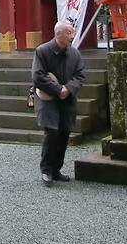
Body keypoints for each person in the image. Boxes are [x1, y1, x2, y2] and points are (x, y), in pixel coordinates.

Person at [32, 21, 86, 187]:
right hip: (47, 98)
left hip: (67, 98)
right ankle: (46, 170)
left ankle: (56, 169)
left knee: (64, 133)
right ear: (58, 34)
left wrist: (68, 89)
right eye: (69, 33)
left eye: (72, 32)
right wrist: (58, 90)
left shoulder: (75, 54)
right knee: (52, 132)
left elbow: (80, 75)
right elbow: (38, 76)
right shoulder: (42, 51)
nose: (72, 36)